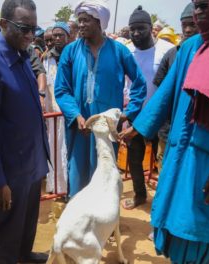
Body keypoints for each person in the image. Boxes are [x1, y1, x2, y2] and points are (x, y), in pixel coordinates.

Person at [120, 0, 209, 262]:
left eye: (204, 5)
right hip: (177, 154)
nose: (197, 11)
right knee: (171, 226)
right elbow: (165, 93)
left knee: (195, 230)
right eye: (195, 5)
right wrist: (137, 127)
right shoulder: (188, 47)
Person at [0, 0, 50, 263]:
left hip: (30, 163)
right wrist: (0, 182)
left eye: (34, 29)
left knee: (27, 222)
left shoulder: (22, 54)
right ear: (3, 24)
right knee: (7, 230)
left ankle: (25, 256)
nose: (30, 36)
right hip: (8, 172)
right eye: (23, 28)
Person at [55, 0, 147, 198]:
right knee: (78, 177)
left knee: (103, 178)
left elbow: (139, 83)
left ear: (99, 22)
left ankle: (103, 225)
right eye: (79, 20)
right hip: (79, 128)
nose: (80, 25)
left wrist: (126, 115)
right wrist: (76, 115)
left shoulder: (119, 51)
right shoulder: (70, 51)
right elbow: (62, 89)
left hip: (106, 131)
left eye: (85, 20)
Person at [122, 5, 174, 210]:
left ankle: (162, 204)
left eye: (141, 28)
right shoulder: (126, 51)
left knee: (162, 163)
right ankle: (140, 195)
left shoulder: (166, 50)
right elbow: (125, 83)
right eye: (132, 28)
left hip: (161, 117)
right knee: (135, 161)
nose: (136, 33)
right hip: (136, 116)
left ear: (151, 28)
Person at [152, 2, 198, 173]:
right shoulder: (172, 55)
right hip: (168, 129)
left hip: (194, 134)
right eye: (184, 25)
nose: (187, 30)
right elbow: (161, 90)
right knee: (165, 170)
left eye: (192, 24)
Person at [42, 22, 71, 194]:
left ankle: (71, 186)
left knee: (69, 149)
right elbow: (46, 85)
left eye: (61, 35)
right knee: (55, 150)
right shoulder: (47, 58)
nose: (57, 39)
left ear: (68, 36)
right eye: (55, 36)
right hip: (54, 113)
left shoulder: (74, 55)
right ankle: (59, 187)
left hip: (70, 112)